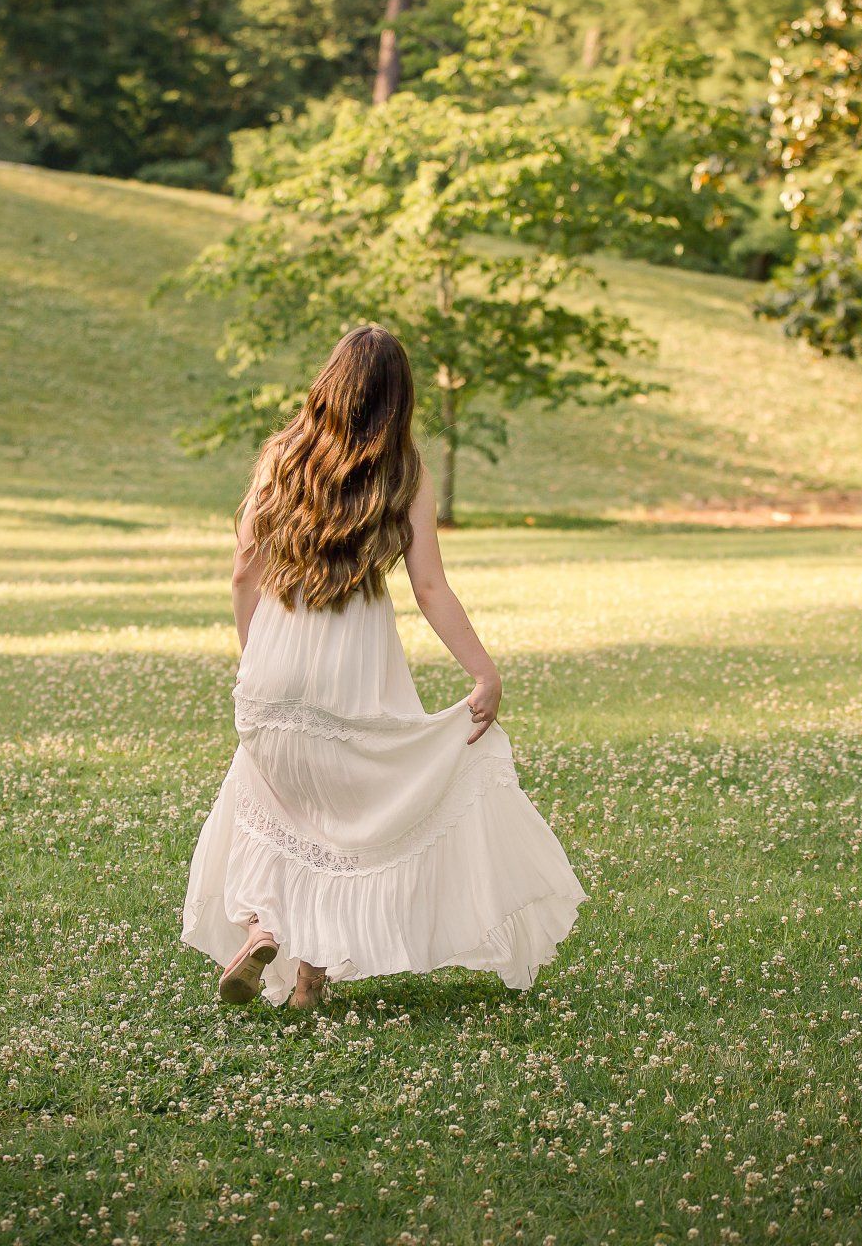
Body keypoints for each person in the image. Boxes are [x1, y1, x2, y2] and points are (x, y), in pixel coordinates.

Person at [180, 324, 585, 1009]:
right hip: (352, 669)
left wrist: (258, 659)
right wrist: (483, 673)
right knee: (349, 816)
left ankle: (269, 932)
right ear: (397, 400)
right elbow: (429, 588)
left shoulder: (281, 456)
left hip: (275, 661)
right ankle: (302, 968)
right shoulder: (404, 472)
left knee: (272, 800)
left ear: (330, 382)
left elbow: (243, 574)